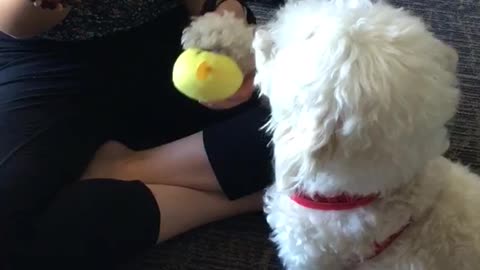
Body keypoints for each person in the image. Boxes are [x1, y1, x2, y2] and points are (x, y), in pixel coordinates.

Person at [0, 0, 273, 268]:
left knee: (308, 126)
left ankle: (126, 168)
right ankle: (254, 195)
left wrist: (227, 36)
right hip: (47, 59)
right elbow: (15, 22)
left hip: (174, 45)